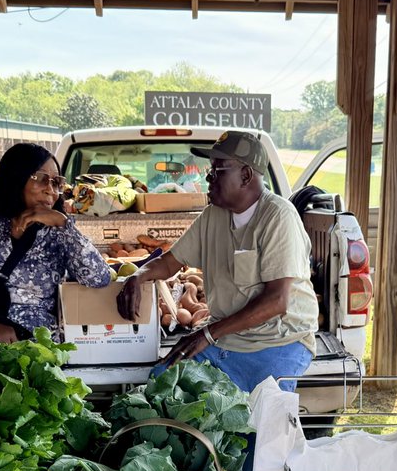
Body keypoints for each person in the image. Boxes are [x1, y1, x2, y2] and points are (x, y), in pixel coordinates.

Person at [116, 130, 318, 394]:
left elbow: (276, 301)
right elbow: (169, 263)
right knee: (162, 383)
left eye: (217, 171)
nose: (208, 178)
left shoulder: (278, 217)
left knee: (257, 422)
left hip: (278, 341)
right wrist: (138, 275)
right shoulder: (213, 215)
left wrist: (208, 334)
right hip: (227, 337)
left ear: (245, 175)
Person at [0, 142, 111, 343]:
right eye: (41, 179)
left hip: (36, 348)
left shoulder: (60, 232)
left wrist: (63, 224)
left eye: (56, 182)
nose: (50, 190)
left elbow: (99, 278)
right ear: (17, 178)